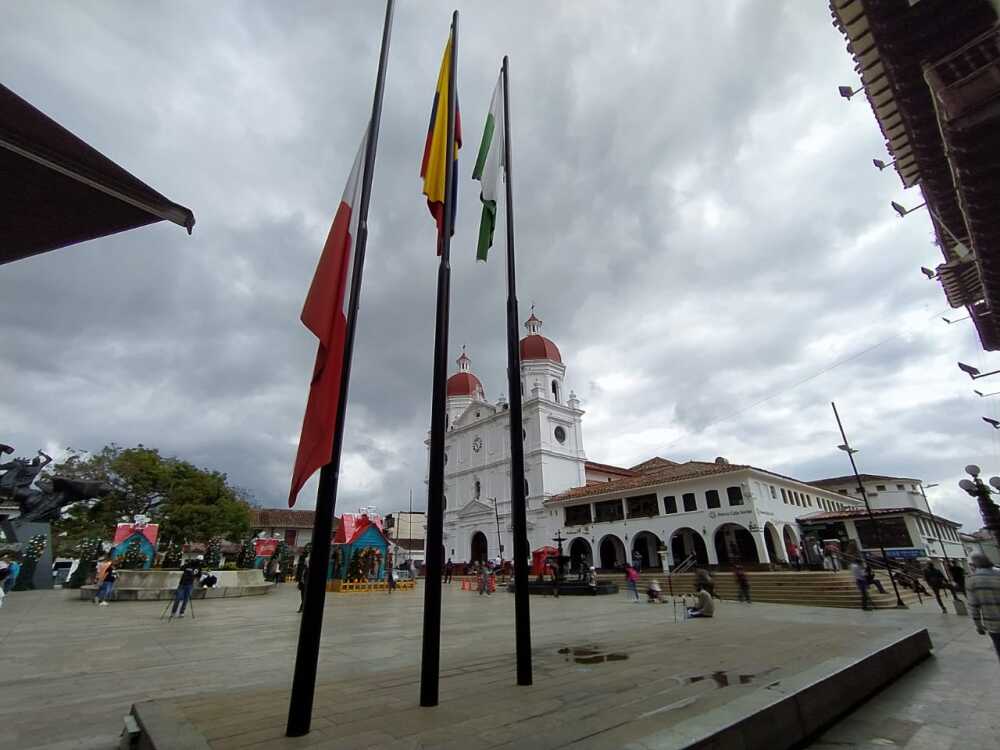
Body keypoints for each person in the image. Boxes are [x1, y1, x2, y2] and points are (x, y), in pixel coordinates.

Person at [966, 552, 1000, 661]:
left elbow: (974, 607)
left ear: (974, 564)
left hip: (994, 625)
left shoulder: (972, 580)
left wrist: (979, 626)